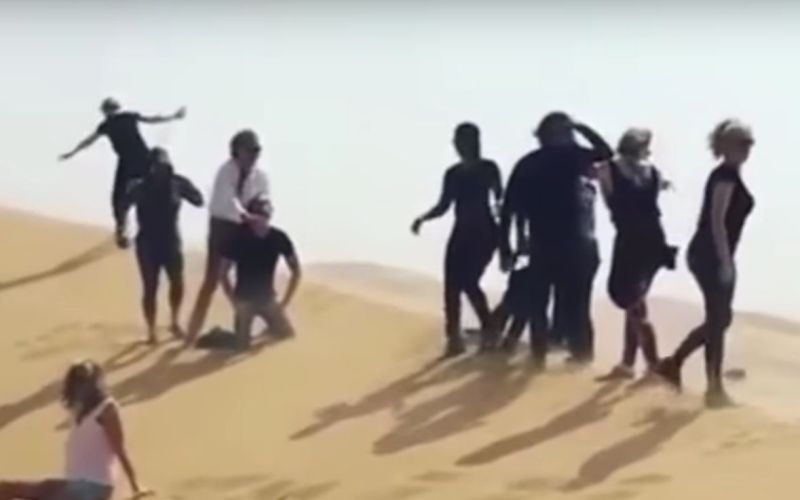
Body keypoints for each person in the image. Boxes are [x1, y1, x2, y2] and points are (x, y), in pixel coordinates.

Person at [655, 120, 755, 408]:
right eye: (741, 144)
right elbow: (716, 221)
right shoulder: (724, 177)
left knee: (719, 319)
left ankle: (675, 365)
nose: (746, 150)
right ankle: (712, 388)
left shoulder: (731, 176)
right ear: (726, 146)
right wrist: (725, 261)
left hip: (714, 254)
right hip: (709, 254)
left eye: (748, 144)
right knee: (718, 318)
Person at [500, 112, 612, 368]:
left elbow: (508, 209)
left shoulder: (531, 162)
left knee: (541, 305)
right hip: (573, 244)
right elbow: (606, 152)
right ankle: (579, 359)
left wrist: (505, 248)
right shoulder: (572, 158)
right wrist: (582, 126)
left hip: (551, 245)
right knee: (574, 307)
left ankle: (542, 357)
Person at [411, 123, 502, 357]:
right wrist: (423, 218)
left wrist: (505, 239)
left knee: (468, 281)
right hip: (461, 232)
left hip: (484, 232)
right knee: (452, 285)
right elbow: (444, 205)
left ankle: (489, 329)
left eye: (461, 140)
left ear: (473, 142)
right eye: (457, 141)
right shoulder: (453, 174)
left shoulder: (488, 168)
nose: (457, 145)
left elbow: (500, 201)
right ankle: (454, 337)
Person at [595, 129, 678, 381]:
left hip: (634, 242)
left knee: (632, 303)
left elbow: (607, 188)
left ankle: (654, 365)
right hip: (652, 241)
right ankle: (628, 363)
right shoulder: (651, 172)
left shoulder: (609, 169)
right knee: (634, 301)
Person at [0, 361, 149, 500]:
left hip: (94, 487)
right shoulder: (79, 412)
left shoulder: (107, 409)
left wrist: (135, 485)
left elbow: (119, 449)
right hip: (74, 485)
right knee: (7, 488)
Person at [59, 97, 186, 248]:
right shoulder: (114, 122)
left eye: (108, 110)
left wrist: (173, 117)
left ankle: (136, 230)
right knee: (123, 199)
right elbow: (89, 141)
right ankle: (124, 231)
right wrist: (72, 152)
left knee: (136, 198)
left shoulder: (120, 120)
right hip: (133, 162)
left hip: (138, 161)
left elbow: (152, 119)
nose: (108, 113)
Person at [184, 129, 270, 344]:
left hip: (245, 228)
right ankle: (192, 333)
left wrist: (264, 212)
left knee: (247, 280)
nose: (254, 155)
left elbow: (264, 198)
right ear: (237, 150)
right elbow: (229, 200)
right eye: (250, 150)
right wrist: (247, 216)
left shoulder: (260, 176)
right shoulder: (226, 171)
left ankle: (245, 330)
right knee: (212, 280)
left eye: (257, 150)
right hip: (222, 226)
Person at [121, 147, 204, 344]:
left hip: (171, 242)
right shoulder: (140, 187)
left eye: (164, 166)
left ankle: (174, 321)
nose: (160, 170)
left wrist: (190, 189)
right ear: (149, 168)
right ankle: (151, 331)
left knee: (177, 283)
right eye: (156, 167)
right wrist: (122, 229)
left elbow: (199, 201)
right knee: (150, 287)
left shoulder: (177, 183)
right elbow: (122, 206)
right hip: (147, 245)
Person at [220, 198, 301, 349]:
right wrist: (234, 302)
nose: (259, 219)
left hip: (268, 299)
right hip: (244, 300)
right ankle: (221, 338)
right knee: (241, 347)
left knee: (287, 337)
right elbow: (223, 273)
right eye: (256, 214)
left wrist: (285, 302)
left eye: (264, 215)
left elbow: (296, 271)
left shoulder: (279, 238)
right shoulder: (237, 238)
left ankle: (267, 332)